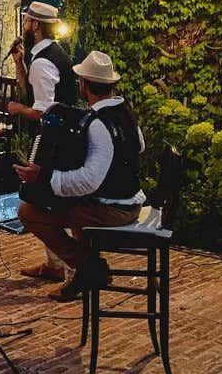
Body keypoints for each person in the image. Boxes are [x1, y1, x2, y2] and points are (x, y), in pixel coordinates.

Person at [14, 51, 146, 302]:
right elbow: (139, 147)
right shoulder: (126, 112)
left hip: (114, 209)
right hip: (131, 202)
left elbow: (88, 180)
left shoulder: (98, 123)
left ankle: (89, 268)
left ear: (84, 85)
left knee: (28, 212)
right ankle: (83, 274)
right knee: (73, 205)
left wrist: (44, 177)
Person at [6, 1, 79, 281]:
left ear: (36, 25)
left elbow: (44, 110)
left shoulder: (45, 61)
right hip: (57, 139)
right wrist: (19, 63)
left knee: (44, 203)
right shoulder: (43, 57)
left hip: (54, 143)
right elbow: (33, 92)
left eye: (26, 21)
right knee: (44, 202)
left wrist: (18, 110)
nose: (24, 26)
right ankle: (55, 264)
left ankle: (71, 269)